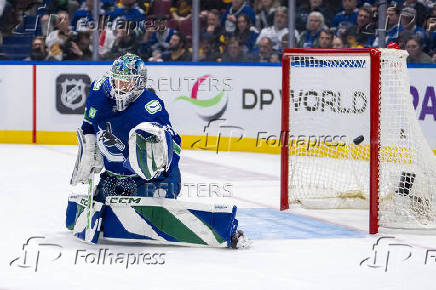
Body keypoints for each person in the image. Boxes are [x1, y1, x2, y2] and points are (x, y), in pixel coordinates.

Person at [68, 53, 248, 248]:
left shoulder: (150, 108)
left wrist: (159, 163)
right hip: (114, 178)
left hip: (154, 178)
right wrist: (90, 148)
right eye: (117, 81)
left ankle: (220, 228)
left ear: (138, 83)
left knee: (149, 209)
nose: (119, 88)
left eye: (125, 83)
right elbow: (88, 123)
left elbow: (175, 147)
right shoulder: (98, 91)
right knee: (94, 211)